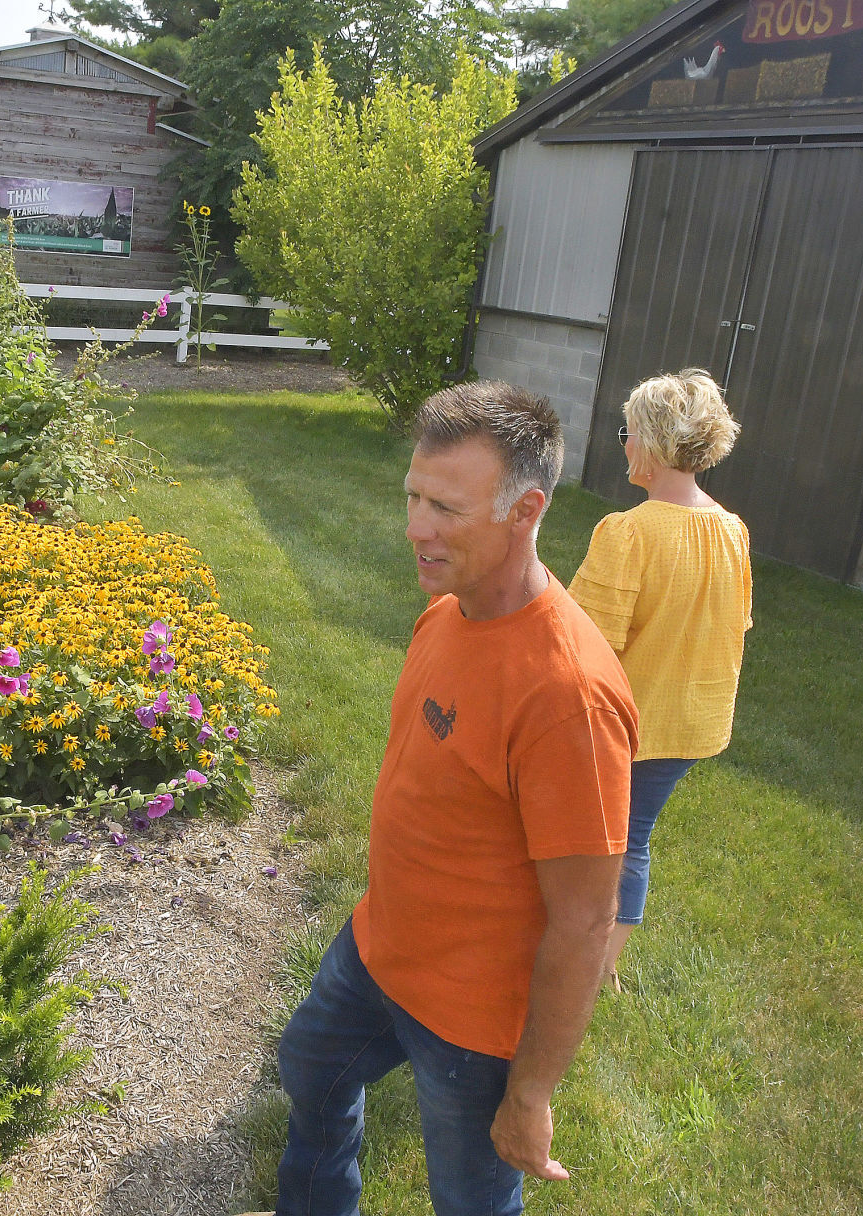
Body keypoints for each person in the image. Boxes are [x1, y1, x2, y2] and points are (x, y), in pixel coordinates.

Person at [246, 381, 638, 1216]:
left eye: (445, 509)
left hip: (470, 1022)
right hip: (376, 950)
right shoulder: (447, 612)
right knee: (310, 1073)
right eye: (413, 497)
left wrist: (528, 1095)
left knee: (470, 1200)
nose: (415, 527)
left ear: (524, 510)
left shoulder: (568, 695)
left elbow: (583, 920)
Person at [567, 368, 751, 992]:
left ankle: (575, 951)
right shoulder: (733, 531)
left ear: (649, 441)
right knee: (634, 838)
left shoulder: (629, 532)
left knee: (591, 838)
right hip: (691, 722)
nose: (622, 443)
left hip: (625, 724)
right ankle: (605, 964)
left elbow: (584, 643)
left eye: (626, 431)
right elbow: (735, 625)